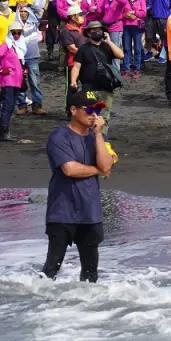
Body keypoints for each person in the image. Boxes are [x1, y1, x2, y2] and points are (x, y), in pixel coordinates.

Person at [41, 89, 114, 282]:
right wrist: (97, 170)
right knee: (51, 269)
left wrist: (98, 135)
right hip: (62, 212)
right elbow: (70, 170)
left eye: (97, 110)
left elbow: (106, 166)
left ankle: (87, 309)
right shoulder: (59, 137)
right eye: (89, 109)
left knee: (91, 273)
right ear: (73, 110)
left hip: (90, 213)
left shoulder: (99, 138)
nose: (94, 115)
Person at [71, 20, 124, 131]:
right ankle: (90, 138)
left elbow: (121, 55)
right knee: (88, 116)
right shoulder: (83, 49)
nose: (97, 32)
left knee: (104, 116)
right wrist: (73, 81)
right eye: (94, 30)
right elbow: (76, 66)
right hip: (89, 88)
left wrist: (109, 41)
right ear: (89, 33)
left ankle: (102, 139)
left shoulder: (107, 47)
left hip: (106, 87)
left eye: (99, 30)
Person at [0, 20, 26, 142]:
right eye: (14, 33)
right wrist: (1, 70)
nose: (16, 35)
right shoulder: (6, 45)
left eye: (18, 33)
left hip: (16, 81)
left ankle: (5, 131)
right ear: (9, 33)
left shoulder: (16, 47)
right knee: (8, 107)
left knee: (11, 107)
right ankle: (3, 133)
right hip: (8, 81)